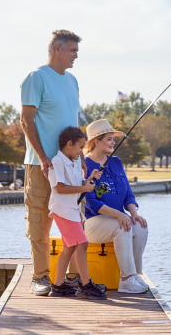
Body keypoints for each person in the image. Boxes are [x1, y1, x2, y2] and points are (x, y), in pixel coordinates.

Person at [20, 30, 86, 296]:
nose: (75, 56)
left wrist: (80, 157)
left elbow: (74, 123)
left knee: (72, 220)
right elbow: (27, 121)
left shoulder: (72, 81)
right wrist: (43, 157)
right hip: (40, 166)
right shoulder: (36, 78)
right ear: (57, 49)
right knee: (39, 223)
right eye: (72, 50)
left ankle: (69, 277)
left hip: (69, 165)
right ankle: (40, 277)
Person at [83, 119, 149, 293]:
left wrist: (133, 214)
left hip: (118, 218)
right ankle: (126, 280)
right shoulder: (84, 165)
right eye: (109, 139)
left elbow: (128, 194)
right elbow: (91, 202)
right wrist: (119, 215)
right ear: (96, 141)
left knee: (140, 226)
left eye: (114, 139)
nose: (113, 142)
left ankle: (135, 275)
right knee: (123, 226)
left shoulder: (116, 162)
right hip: (92, 223)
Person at [47, 127, 106, 299]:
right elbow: (59, 187)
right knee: (82, 243)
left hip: (71, 211)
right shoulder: (57, 162)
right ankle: (86, 285)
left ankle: (58, 286)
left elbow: (77, 184)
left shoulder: (73, 162)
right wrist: (84, 187)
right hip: (63, 211)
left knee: (70, 247)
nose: (81, 152)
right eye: (80, 147)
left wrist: (90, 179)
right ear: (69, 144)